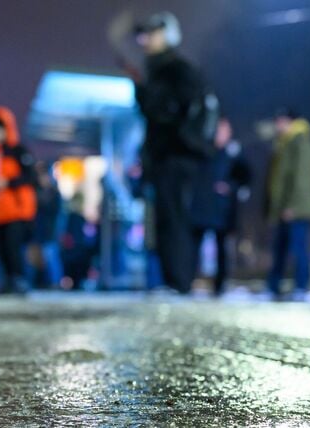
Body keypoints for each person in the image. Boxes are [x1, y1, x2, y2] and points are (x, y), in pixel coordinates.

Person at [126, 12, 207, 294]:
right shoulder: (157, 69)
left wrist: (144, 94)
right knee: (163, 218)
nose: (146, 40)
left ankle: (179, 282)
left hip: (177, 155)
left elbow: (169, 111)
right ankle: (173, 280)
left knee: (174, 218)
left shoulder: (176, 70)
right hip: (163, 157)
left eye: (152, 34)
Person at [0, 106, 37, 295]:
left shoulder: (19, 151)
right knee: (1, 248)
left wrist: (8, 182)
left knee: (14, 246)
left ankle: (19, 280)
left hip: (17, 210)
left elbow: (31, 177)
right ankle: (8, 281)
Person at [265, 108, 310, 302]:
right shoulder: (284, 143)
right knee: (280, 247)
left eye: (279, 121)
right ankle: (273, 286)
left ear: (289, 121)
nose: (277, 126)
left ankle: (301, 287)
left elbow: (301, 177)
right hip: (284, 207)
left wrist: (292, 206)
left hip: (296, 207)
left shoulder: (300, 140)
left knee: (298, 248)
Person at [192, 118, 251, 297]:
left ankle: (220, 285)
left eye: (224, 130)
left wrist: (230, 187)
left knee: (221, 248)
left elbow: (246, 178)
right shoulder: (205, 151)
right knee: (195, 246)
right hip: (203, 208)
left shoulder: (234, 154)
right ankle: (190, 280)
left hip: (223, 210)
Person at [30, 161, 64, 288]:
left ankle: (55, 283)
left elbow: (56, 214)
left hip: (50, 231)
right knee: (35, 258)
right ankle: (37, 283)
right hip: (37, 230)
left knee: (50, 256)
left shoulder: (54, 194)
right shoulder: (36, 191)